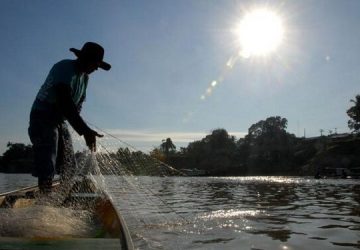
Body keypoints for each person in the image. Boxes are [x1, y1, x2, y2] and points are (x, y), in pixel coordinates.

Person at [28, 42, 111, 193]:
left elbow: (76, 106)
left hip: (59, 121)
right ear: (83, 59)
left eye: (98, 65)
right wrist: (85, 130)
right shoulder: (65, 68)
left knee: (69, 165)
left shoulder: (85, 79)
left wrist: (84, 128)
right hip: (42, 116)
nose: (96, 68)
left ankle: (62, 195)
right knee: (48, 158)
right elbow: (64, 102)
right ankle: (44, 198)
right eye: (95, 64)